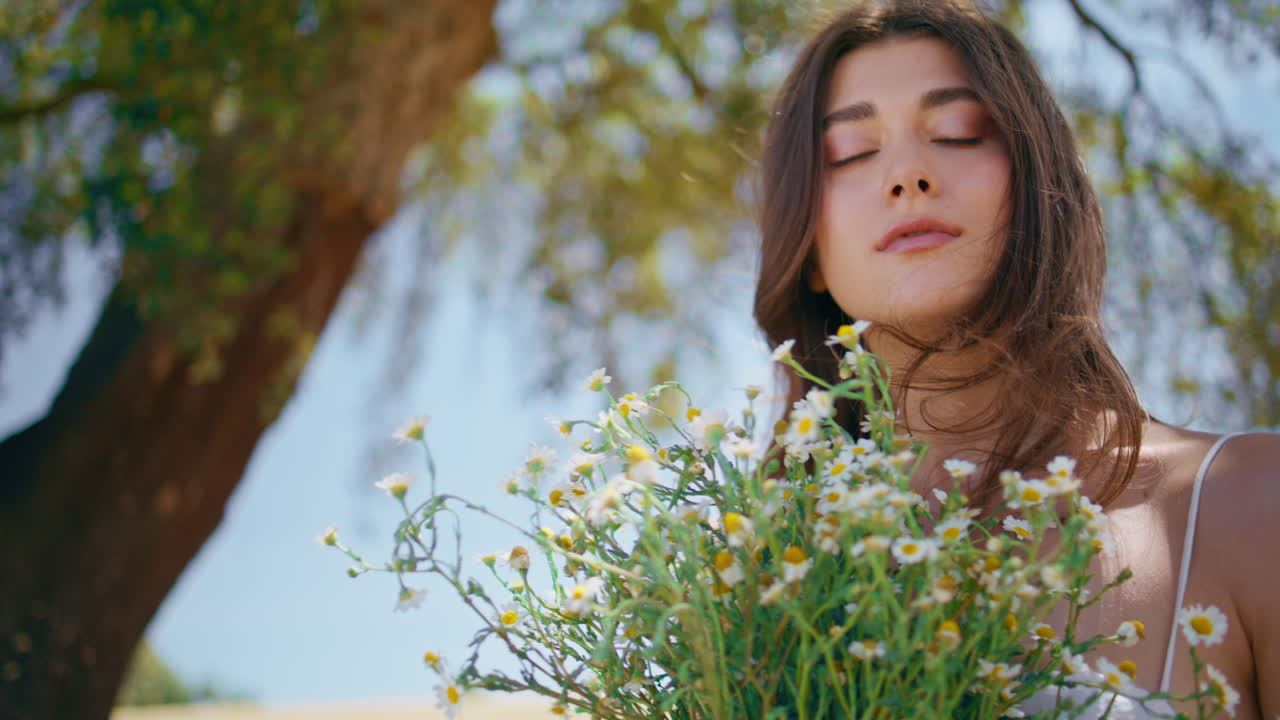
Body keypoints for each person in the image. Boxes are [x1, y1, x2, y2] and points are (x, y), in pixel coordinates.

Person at [751, 1, 1278, 717]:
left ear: (1041, 188)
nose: (907, 174)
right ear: (806, 251)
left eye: (960, 133)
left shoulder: (1250, 504)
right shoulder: (761, 584)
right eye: (849, 153)